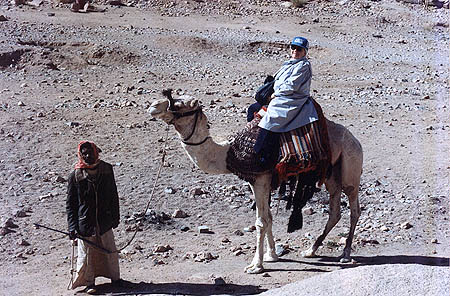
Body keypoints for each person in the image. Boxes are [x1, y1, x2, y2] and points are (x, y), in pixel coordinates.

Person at [66, 141, 124, 294]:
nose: (87, 156)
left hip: (104, 220)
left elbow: (113, 194)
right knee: (87, 254)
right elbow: (71, 204)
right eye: (84, 153)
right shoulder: (75, 175)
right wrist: (72, 227)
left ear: (96, 152)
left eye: (89, 152)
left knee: (110, 249)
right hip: (85, 222)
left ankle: (116, 279)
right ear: (80, 155)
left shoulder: (106, 169)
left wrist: (115, 216)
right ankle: (90, 283)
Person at [251, 37, 318, 160]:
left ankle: (261, 153)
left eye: (299, 49)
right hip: (280, 95)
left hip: (292, 98)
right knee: (253, 108)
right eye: (293, 47)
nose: (295, 51)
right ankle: (251, 139)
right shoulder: (289, 63)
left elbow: (291, 86)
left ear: (305, 52)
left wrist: (275, 94)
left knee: (271, 117)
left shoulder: (303, 65)